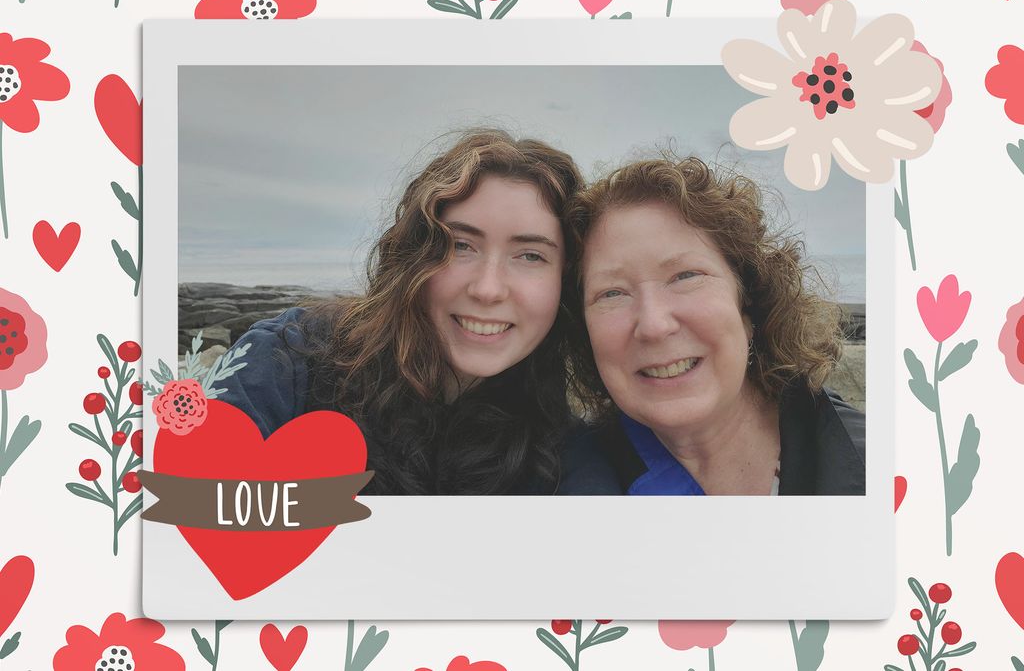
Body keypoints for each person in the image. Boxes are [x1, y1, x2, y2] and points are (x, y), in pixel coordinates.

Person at [216, 129, 618, 495]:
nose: (487, 289)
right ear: (414, 255)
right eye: (461, 246)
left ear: (566, 282)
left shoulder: (567, 459)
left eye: (530, 255)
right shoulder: (286, 364)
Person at [566, 157, 864, 495]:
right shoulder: (561, 483)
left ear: (749, 303)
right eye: (612, 293)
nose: (653, 325)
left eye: (686, 276)